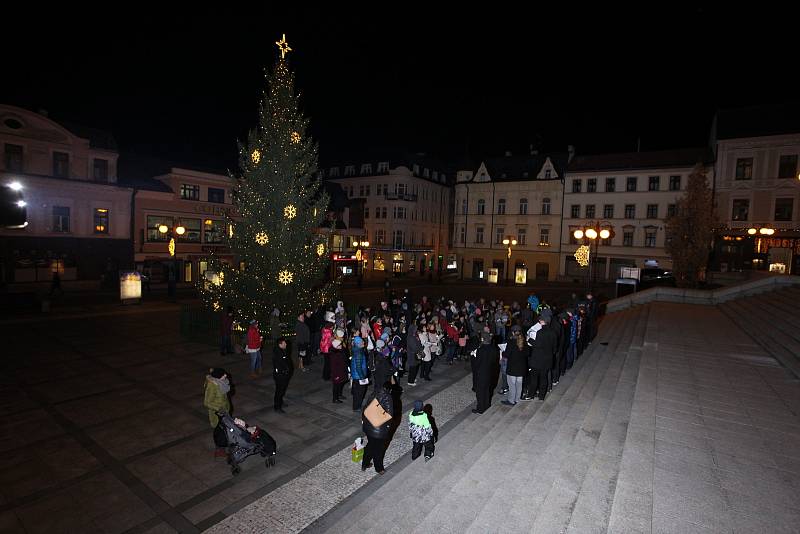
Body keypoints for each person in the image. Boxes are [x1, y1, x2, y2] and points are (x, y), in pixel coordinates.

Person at [361, 381, 394, 475]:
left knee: (370, 445)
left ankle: (365, 464)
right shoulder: (388, 397)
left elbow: (365, 407)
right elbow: (389, 415)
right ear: (389, 390)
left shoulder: (374, 393)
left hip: (368, 427)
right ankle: (379, 468)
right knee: (378, 450)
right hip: (379, 430)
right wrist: (388, 428)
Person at [203, 367, 231, 458]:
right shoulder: (212, 386)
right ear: (218, 377)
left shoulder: (221, 382)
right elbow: (207, 402)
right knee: (219, 431)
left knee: (225, 429)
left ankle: (224, 445)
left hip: (224, 410)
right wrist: (219, 408)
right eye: (223, 375)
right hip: (217, 414)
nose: (225, 375)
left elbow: (223, 395)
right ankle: (219, 450)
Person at [529, 316, 557, 400]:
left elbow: (537, 345)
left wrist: (530, 340)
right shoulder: (553, 333)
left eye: (540, 320)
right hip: (547, 360)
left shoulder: (540, 332)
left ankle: (531, 394)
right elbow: (555, 348)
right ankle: (541, 396)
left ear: (543, 322)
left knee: (534, 378)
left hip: (538, 360)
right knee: (544, 378)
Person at [472, 329, 498, 414]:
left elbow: (477, 363)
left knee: (480, 392)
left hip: (481, 373)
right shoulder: (493, 349)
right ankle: (487, 406)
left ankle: (480, 408)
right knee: (487, 390)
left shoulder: (481, 350)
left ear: (483, 339)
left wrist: (474, 356)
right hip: (490, 372)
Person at [502, 325, 529, 406]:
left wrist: (502, 352)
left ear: (513, 332)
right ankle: (517, 399)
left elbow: (506, 354)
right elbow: (528, 353)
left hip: (512, 367)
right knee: (519, 384)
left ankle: (511, 400)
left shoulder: (511, 342)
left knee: (512, 384)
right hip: (521, 367)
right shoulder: (524, 341)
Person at [272, 337, 293, 413]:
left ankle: (281, 402)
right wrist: (285, 372)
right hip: (280, 376)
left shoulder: (283, 350)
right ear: (280, 344)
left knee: (282, 390)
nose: (286, 344)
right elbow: (279, 366)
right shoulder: (278, 353)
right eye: (284, 343)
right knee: (279, 391)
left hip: (285, 374)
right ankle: (277, 407)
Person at [350, 335, 369, 411]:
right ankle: (357, 407)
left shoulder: (358, 350)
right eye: (361, 342)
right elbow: (358, 367)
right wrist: (362, 378)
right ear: (358, 344)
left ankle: (357, 405)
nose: (363, 342)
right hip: (358, 377)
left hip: (357, 376)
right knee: (359, 393)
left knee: (358, 392)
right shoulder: (359, 354)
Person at [329, 338, 348, 403]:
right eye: (339, 345)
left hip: (342, 371)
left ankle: (339, 395)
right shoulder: (334, 354)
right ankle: (335, 398)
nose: (341, 346)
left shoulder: (340, 351)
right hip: (337, 373)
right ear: (336, 346)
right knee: (336, 386)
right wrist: (336, 375)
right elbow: (333, 367)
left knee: (341, 384)